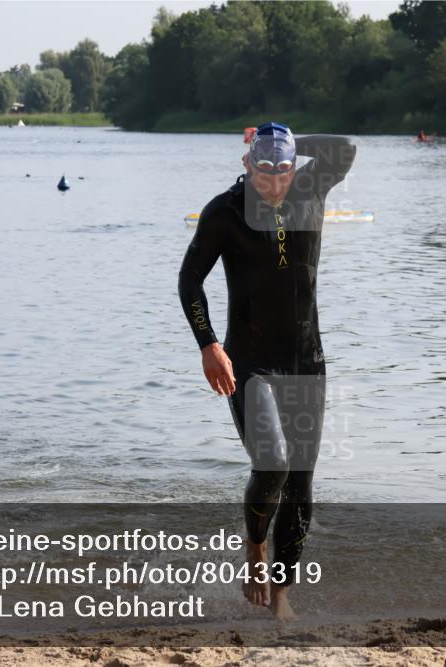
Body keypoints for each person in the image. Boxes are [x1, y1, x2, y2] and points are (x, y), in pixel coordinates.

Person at [178, 122, 356, 622]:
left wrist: (286, 137)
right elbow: (190, 278)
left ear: (293, 165)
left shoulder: (310, 187)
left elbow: (345, 147)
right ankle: (255, 546)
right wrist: (209, 344)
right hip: (249, 362)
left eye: (282, 170)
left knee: (300, 484)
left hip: (306, 361)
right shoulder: (225, 212)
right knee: (273, 463)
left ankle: (281, 595)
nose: (274, 182)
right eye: (263, 170)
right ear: (247, 165)